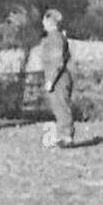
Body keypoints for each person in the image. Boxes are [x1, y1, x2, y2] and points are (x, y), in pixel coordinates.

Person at [39, 9, 74, 147]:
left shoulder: (55, 38)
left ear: (49, 22)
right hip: (57, 77)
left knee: (62, 107)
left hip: (58, 79)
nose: (42, 23)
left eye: (44, 20)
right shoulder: (55, 37)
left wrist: (51, 81)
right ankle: (62, 136)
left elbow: (58, 62)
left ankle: (67, 137)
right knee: (58, 107)